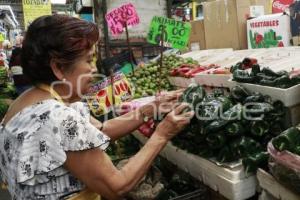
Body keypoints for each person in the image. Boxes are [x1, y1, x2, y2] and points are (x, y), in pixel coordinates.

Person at [0, 15, 194, 200]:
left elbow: (101, 130)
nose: (94, 69)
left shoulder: (24, 102)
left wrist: (149, 109)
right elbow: (116, 186)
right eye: (88, 60)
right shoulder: (57, 117)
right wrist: (161, 134)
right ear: (58, 67)